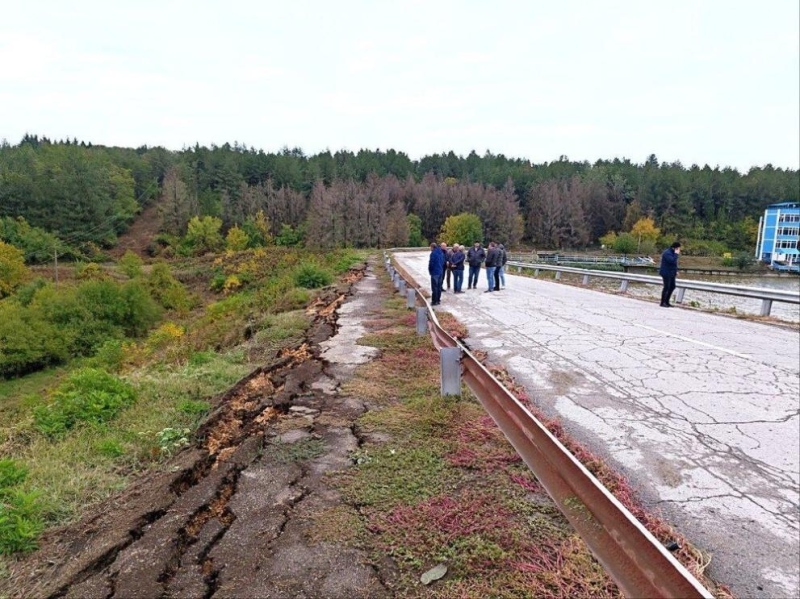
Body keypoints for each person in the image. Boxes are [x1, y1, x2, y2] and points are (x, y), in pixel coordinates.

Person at [659, 242, 681, 307]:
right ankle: (662, 302)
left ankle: (667, 301)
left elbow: (674, 264)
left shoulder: (673, 253)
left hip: (672, 273)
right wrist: (676, 254)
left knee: (672, 286)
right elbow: (671, 261)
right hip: (666, 272)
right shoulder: (667, 253)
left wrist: (676, 271)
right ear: (675, 248)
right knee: (666, 287)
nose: (679, 250)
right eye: (678, 249)